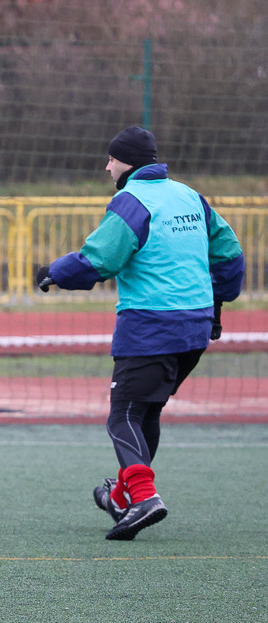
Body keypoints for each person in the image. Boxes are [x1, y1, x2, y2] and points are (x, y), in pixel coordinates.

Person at [35, 126, 245, 541]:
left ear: (127, 162)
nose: (107, 165)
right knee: (146, 410)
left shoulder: (131, 200)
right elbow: (229, 255)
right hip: (194, 328)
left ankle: (144, 497)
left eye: (111, 159)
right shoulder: (190, 197)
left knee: (123, 415)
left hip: (151, 325)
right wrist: (217, 304)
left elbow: (100, 260)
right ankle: (121, 498)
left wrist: (52, 273)